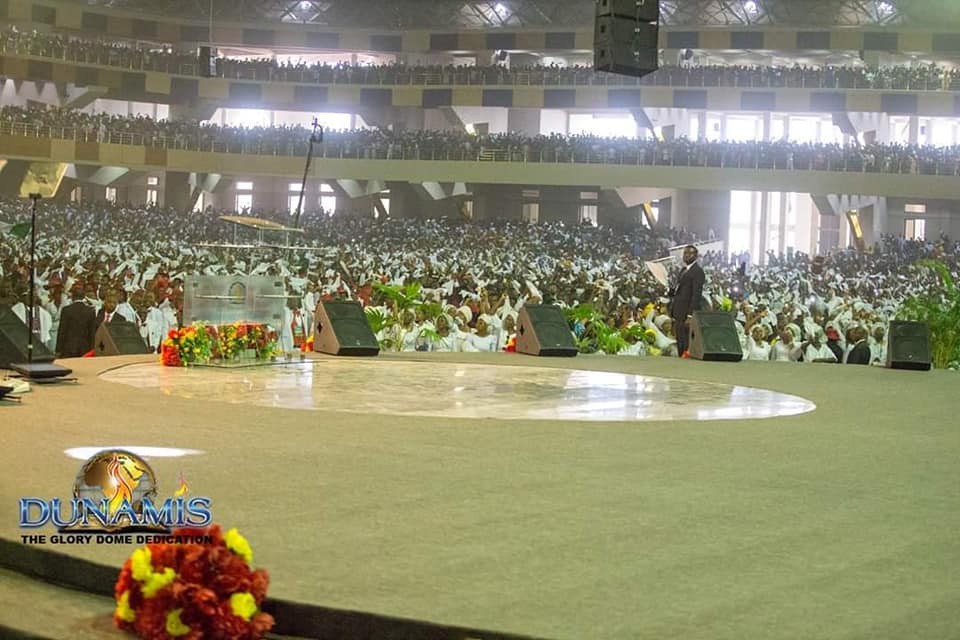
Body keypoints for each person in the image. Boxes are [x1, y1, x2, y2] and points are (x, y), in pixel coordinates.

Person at [668, 245, 705, 357]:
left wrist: (690, 315)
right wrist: (670, 291)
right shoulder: (683, 270)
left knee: (686, 340)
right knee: (680, 338)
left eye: (690, 253)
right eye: (685, 253)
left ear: (696, 256)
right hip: (678, 310)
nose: (687, 255)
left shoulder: (698, 271)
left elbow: (696, 295)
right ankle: (680, 359)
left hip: (687, 312)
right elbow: (680, 289)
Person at [56, 286, 97, 358]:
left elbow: (62, 331)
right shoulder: (90, 311)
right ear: (84, 297)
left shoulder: (66, 310)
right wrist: (92, 349)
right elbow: (92, 333)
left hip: (68, 348)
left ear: (72, 297)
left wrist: (58, 350)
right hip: (85, 348)